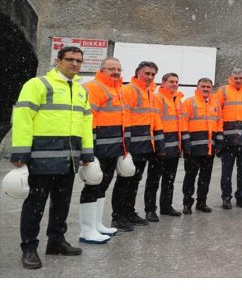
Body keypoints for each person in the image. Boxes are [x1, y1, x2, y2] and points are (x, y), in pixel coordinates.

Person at [11, 46, 94, 269]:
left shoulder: (80, 90)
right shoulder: (38, 84)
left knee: (62, 204)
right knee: (35, 205)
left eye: (78, 60)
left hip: (69, 159)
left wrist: (87, 152)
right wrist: (19, 152)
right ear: (58, 60)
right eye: (69, 59)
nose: (74, 64)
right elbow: (23, 117)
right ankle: (29, 248)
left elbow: (86, 123)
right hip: (41, 158)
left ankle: (56, 241)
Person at [79, 57, 130, 240]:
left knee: (103, 186)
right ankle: (86, 230)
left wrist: (124, 147)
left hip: (113, 148)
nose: (116, 72)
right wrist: (88, 149)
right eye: (111, 69)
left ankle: (97, 224)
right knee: (92, 186)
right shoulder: (93, 87)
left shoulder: (119, 90)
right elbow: (87, 119)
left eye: (118, 68)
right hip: (98, 148)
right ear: (102, 70)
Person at [112, 61, 165, 229]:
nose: (150, 77)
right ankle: (118, 217)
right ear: (138, 73)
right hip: (132, 144)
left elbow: (155, 120)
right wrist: (126, 145)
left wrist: (158, 144)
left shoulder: (151, 93)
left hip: (145, 145)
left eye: (152, 74)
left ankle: (129, 212)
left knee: (134, 181)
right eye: (147, 73)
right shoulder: (129, 90)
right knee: (124, 180)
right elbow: (124, 117)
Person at [214, 68, 242, 209]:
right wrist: (219, 135)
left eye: (240, 78)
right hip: (227, 140)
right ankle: (226, 198)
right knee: (226, 172)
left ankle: (241, 197)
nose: (238, 80)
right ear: (231, 78)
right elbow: (217, 113)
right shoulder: (223, 91)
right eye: (236, 78)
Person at [144, 72, 188, 221]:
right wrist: (159, 145)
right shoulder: (157, 98)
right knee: (153, 180)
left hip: (174, 147)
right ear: (162, 83)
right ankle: (150, 209)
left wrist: (181, 145)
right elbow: (155, 122)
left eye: (176, 81)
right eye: (171, 81)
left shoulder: (177, 100)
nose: (174, 84)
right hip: (160, 147)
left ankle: (166, 206)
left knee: (169, 180)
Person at [181, 78, 224, 214]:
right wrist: (186, 143)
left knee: (205, 177)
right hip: (193, 148)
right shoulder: (189, 102)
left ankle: (201, 202)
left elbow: (219, 123)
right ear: (198, 87)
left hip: (209, 148)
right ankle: (187, 203)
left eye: (208, 87)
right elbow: (183, 122)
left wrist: (219, 141)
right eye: (203, 86)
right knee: (190, 176)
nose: (206, 89)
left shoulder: (215, 103)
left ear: (212, 88)